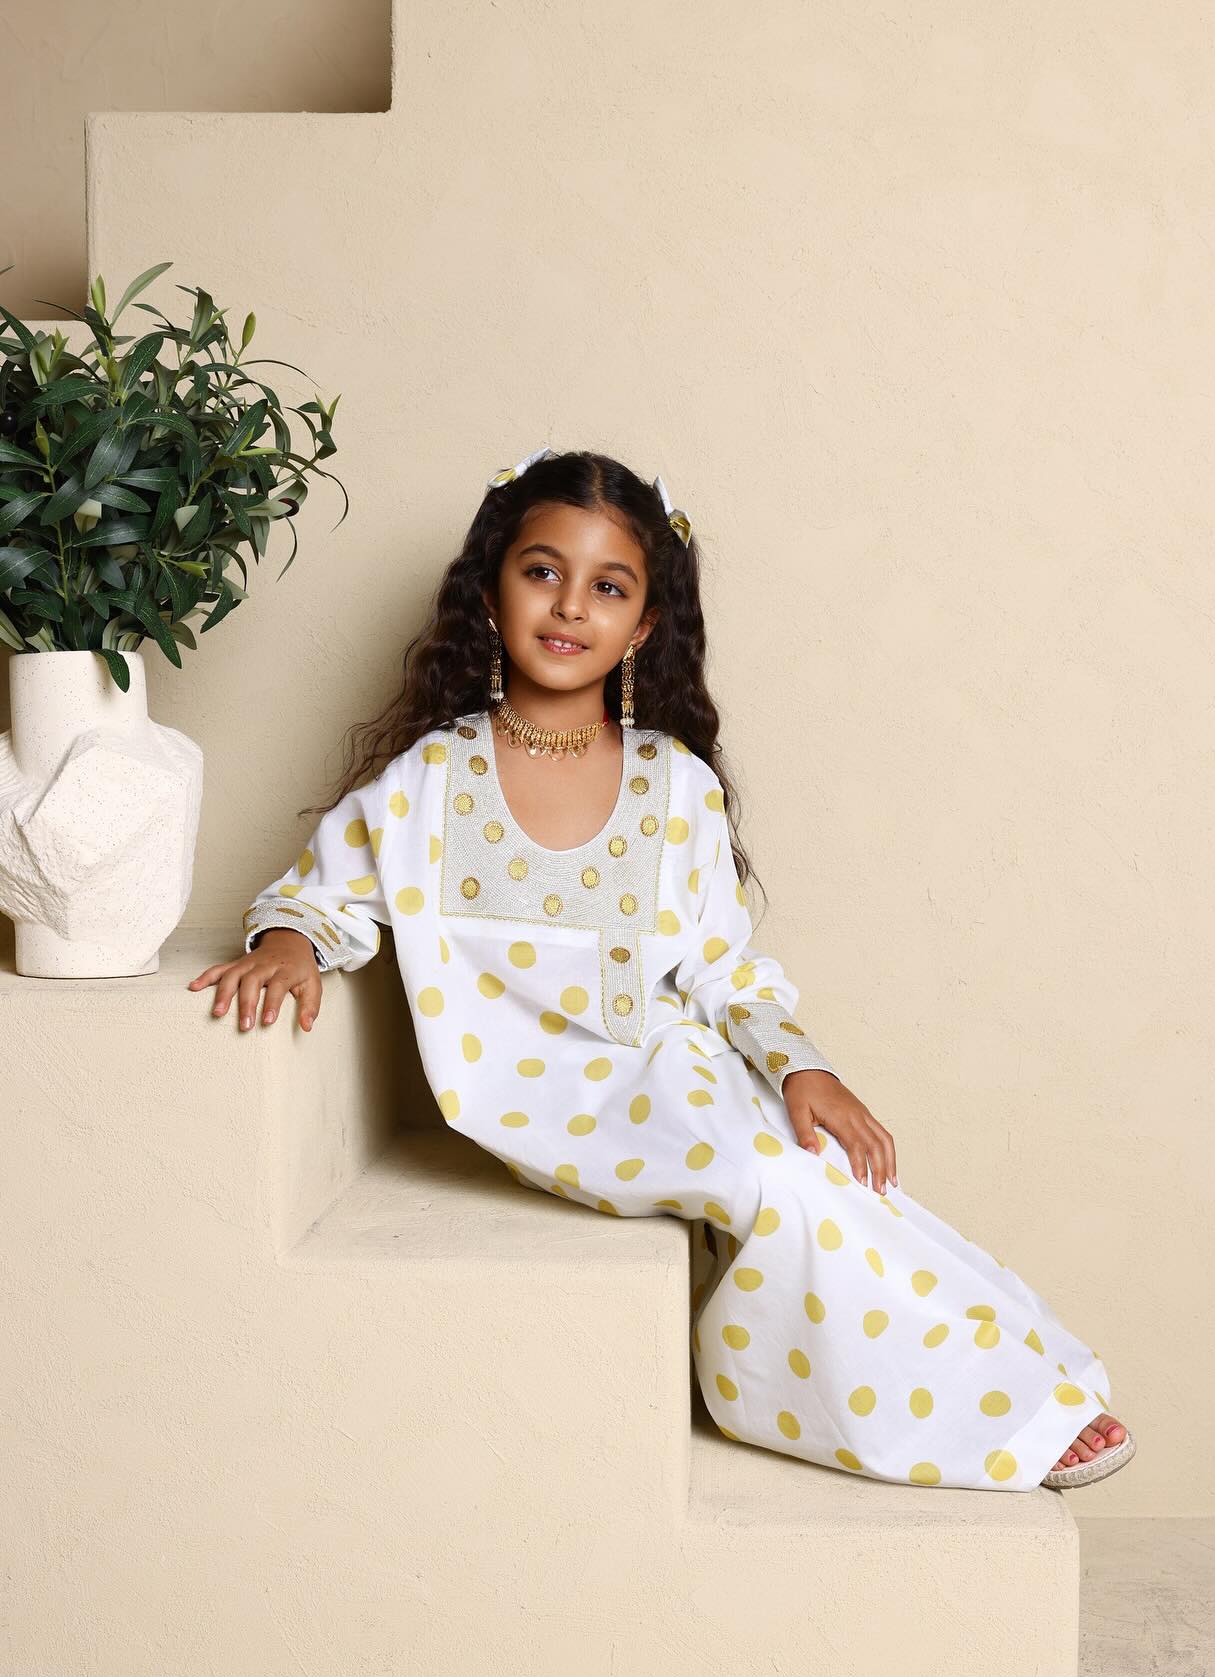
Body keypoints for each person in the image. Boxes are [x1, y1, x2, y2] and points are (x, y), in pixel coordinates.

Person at [189, 446, 1133, 1493]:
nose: (569, 606)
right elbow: (321, 894)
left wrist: (802, 1066)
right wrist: (289, 944)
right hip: (557, 1105)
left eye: (609, 587)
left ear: (642, 627)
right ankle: (972, 1416)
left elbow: (724, 969)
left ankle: (1019, 1383)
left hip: (679, 1070)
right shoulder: (429, 782)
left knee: (821, 1168)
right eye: (542, 572)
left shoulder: (676, 786)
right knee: (774, 1179)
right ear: (490, 590)